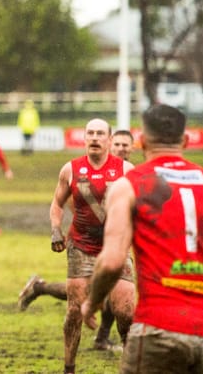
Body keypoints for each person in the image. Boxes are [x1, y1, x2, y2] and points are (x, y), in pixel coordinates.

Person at [82, 105, 203, 374]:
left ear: (141, 141)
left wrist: (93, 301)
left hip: (157, 329)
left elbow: (112, 261)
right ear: (185, 141)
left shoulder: (129, 185)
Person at [17, 125, 137, 351]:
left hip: (116, 243)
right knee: (90, 293)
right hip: (87, 242)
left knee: (114, 292)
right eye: (117, 145)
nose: (121, 149)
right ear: (110, 144)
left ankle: (101, 336)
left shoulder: (129, 171)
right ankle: (42, 289)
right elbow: (72, 203)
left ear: (132, 149)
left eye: (125, 146)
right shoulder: (82, 171)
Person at [49, 118, 136, 374]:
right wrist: (56, 230)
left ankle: (131, 367)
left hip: (116, 247)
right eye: (90, 133)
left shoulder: (127, 170)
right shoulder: (70, 169)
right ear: (85, 138)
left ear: (109, 139)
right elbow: (57, 204)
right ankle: (69, 369)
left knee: (126, 312)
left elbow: (140, 207)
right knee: (74, 312)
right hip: (81, 247)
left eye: (100, 133)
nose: (95, 137)